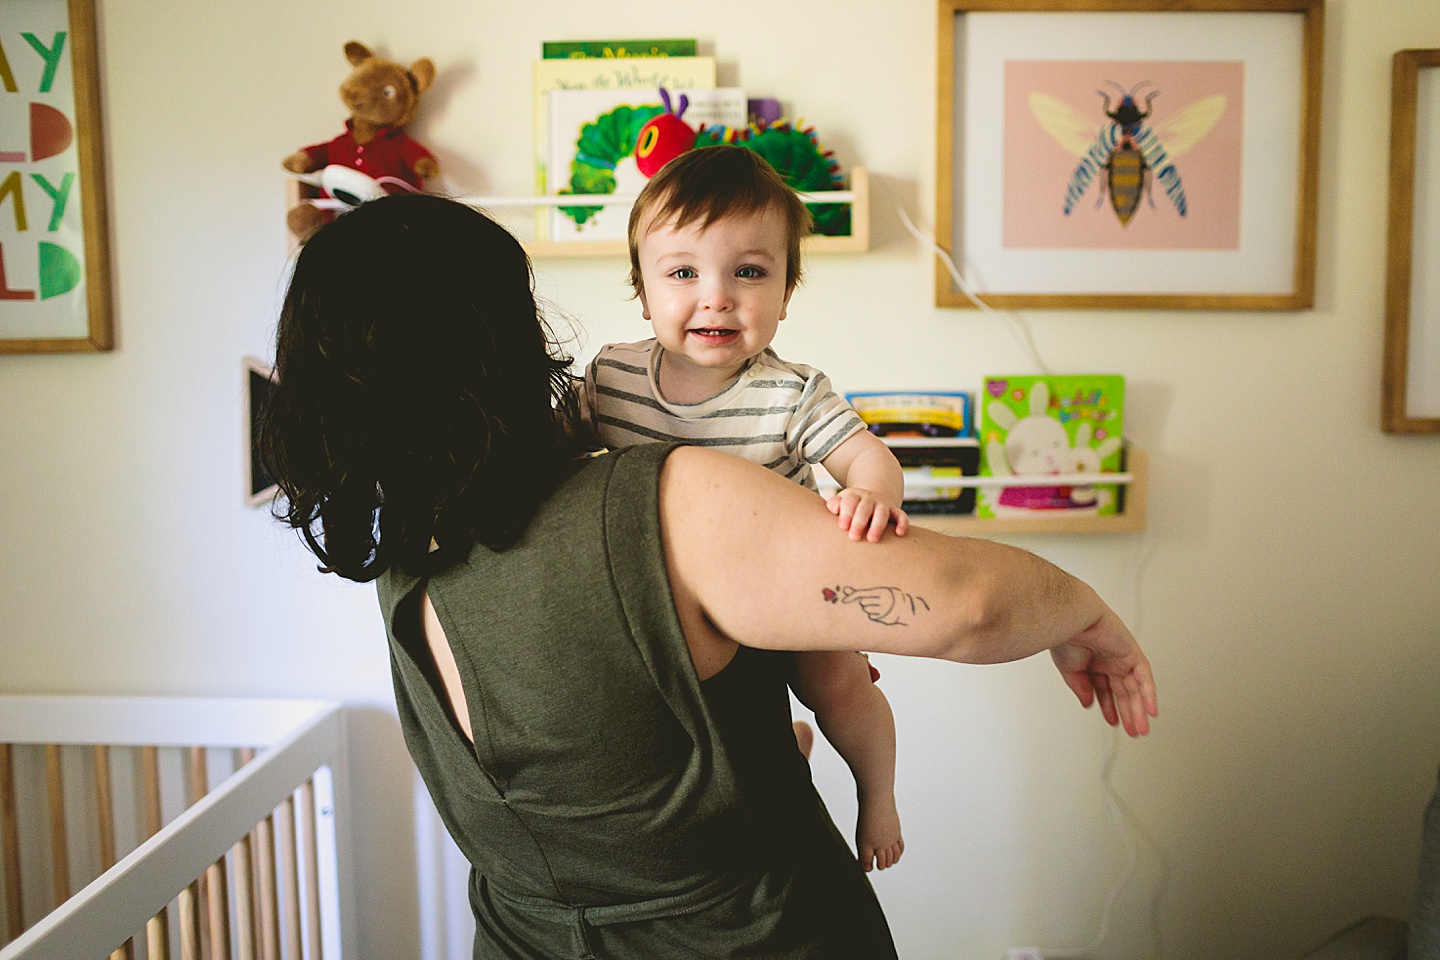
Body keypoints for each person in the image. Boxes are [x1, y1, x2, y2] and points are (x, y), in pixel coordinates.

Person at [260, 192, 1158, 960]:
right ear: (502, 339)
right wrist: (1084, 610)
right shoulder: (668, 499)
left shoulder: (407, 549)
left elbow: (586, 769)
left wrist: (752, 755)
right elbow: (968, 607)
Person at [577, 144, 908, 872]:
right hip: (665, 596)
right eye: (683, 272)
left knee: (838, 683)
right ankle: (777, 750)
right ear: (642, 290)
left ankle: (877, 793)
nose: (717, 296)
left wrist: (870, 495)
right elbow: (552, 455)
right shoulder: (611, 376)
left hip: (781, 582)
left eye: (749, 272)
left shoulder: (791, 391)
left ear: (787, 293)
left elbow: (866, 457)